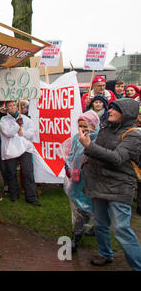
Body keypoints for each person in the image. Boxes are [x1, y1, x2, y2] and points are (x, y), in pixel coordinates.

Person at [79, 98, 141, 270]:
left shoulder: (134, 135)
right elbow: (98, 152)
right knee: (100, 223)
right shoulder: (106, 128)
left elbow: (117, 158)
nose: (110, 111)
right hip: (99, 184)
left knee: (121, 228)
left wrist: (89, 146)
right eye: (111, 108)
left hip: (119, 187)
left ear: (126, 114)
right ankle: (105, 254)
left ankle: (138, 265)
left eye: (115, 109)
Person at [61, 110, 100, 253]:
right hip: (79, 181)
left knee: (96, 208)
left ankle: (96, 228)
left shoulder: (100, 139)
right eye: (80, 126)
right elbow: (71, 155)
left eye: (86, 126)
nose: (83, 129)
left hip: (94, 182)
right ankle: (76, 238)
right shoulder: (77, 138)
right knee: (81, 211)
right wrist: (68, 167)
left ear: (94, 124)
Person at [0, 100, 41, 206]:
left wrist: (24, 133)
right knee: (11, 173)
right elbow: (8, 133)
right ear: (7, 108)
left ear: (17, 106)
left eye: (14, 105)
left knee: (28, 172)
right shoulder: (4, 120)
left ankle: (31, 197)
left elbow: (32, 133)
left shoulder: (26, 119)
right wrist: (17, 125)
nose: (13, 107)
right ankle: (14, 194)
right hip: (11, 150)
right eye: (10, 105)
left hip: (25, 149)